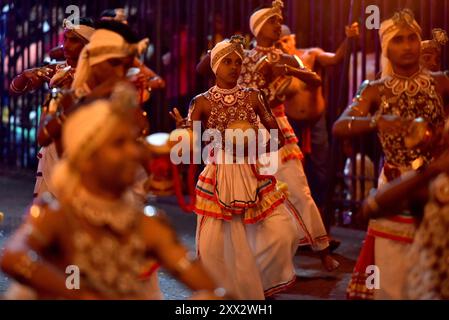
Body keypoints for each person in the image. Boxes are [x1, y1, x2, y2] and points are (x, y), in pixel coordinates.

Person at [1, 83, 224, 300]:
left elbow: (210, 288)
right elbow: (12, 257)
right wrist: (80, 294)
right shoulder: (58, 216)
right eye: (118, 144)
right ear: (87, 158)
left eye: (133, 142)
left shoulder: (148, 224)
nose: (133, 152)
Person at [170, 36, 304, 299]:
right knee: (214, 247)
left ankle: (256, 284)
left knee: (282, 233)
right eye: (227, 61)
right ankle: (226, 294)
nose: (234, 66)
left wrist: (252, 149)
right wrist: (183, 132)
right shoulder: (201, 102)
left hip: (252, 172)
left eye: (238, 61)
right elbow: (192, 149)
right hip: (218, 175)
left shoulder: (253, 96)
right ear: (215, 66)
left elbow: (277, 137)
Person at [333, 9, 449, 299]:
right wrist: (374, 121)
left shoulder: (440, 82)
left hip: (437, 185)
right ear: (387, 47)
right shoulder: (374, 90)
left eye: (412, 38)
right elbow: (340, 126)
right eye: (399, 40)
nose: (408, 45)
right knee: (392, 266)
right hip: (394, 184)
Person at [236, 0, 339, 269]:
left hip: (277, 126)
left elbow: (314, 80)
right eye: (271, 22)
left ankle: (322, 249)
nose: (277, 25)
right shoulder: (242, 56)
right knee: (251, 191)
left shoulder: (286, 57)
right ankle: (252, 254)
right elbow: (208, 70)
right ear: (257, 28)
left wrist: (289, 69)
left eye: (278, 21)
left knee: (296, 185)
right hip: (246, 128)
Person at [34, 20, 150, 200]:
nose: (120, 72)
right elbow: (43, 135)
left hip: (112, 199)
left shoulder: (123, 98)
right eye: (114, 63)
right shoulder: (64, 94)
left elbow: (140, 149)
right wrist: (88, 98)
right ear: (95, 60)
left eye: (126, 67)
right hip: (65, 199)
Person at [277, 23, 359, 237]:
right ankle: (296, 228)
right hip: (290, 123)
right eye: (278, 43)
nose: (283, 46)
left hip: (316, 122)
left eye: (285, 40)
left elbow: (335, 59)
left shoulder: (311, 55)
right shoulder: (276, 64)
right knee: (292, 173)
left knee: (320, 171)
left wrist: (348, 39)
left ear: (293, 38)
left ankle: (322, 227)